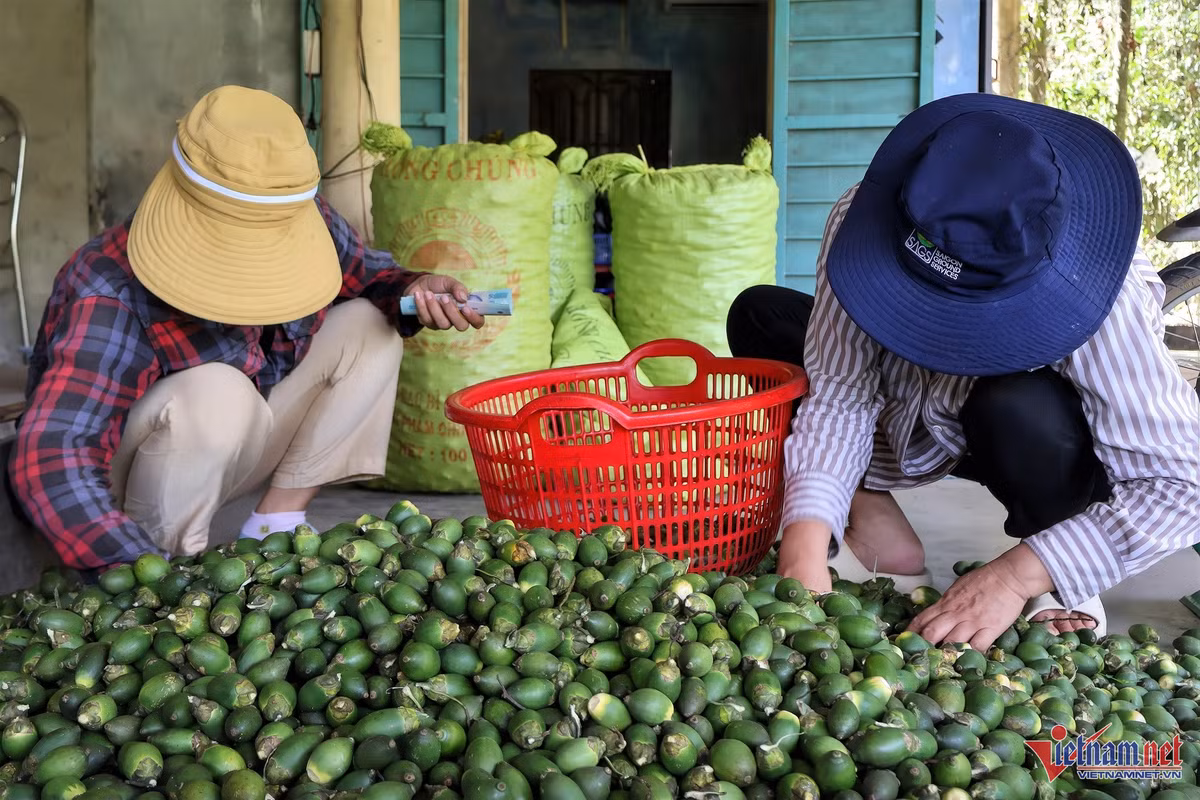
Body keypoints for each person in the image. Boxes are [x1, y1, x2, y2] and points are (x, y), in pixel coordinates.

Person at [728, 93, 1200, 649]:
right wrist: (803, 544)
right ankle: (874, 516)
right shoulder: (865, 218)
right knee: (764, 316)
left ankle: (1054, 561)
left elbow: (1180, 486)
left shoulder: (1100, 292)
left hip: (1020, 435)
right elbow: (839, 394)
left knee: (1022, 403)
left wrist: (1015, 574)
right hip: (911, 412)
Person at [8, 85, 485, 571]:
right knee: (219, 392)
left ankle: (271, 529)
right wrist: (139, 578)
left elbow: (374, 277)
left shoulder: (301, 215)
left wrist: (417, 287)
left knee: (371, 323)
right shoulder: (109, 288)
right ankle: (175, 570)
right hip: (124, 502)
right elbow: (49, 458)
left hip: (228, 465)